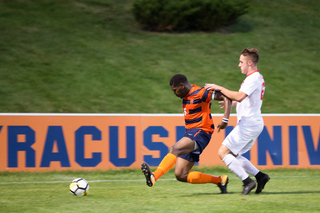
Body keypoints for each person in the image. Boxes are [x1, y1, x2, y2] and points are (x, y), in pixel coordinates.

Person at [141, 74, 232, 194]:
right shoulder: (186, 95)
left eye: (175, 90)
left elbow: (226, 97)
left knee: (174, 149)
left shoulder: (200, 93)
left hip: (201, 132)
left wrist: (225, 120)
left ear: (182, 86)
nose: (174, 94)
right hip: (191, 133)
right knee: (180, 175)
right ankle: (220, 181)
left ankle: (154, 176)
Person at [205, 47, 270, 195]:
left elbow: (240, 96)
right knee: (233, 155)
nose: (239, 65)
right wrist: (234, 104)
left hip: (248, 123)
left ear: (250, 63)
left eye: (241, 62)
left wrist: (220, 88)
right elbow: (247, 99)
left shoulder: (253, 78)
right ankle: (260, 177)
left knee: (223, 152)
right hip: (253, 122)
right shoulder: (257, 77)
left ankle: (247, 181)